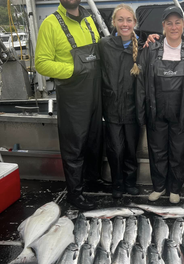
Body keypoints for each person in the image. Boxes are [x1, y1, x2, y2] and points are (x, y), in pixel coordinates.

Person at [35, 0, 103, 210]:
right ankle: (75, 194)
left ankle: (93, 182)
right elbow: (41, 63)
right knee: (74, 145)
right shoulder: (50, 23)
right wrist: (73, 69)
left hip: (95, 92)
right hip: (73, 96)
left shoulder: (90, 20)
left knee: (94, 139)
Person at [136, 6, 184, 204]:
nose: (173, 27)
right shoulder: (151, 49)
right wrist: (141, 115)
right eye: (169, 23)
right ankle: (159, 187)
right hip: (155, 112)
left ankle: (175, 188)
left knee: (179, 153)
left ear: (183, 25)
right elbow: (141, 84)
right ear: (163, 26)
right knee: (156, 152)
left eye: (177, 22)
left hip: (182, 113)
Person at [98, 4, 144, 199]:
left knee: (131, 149)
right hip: (111, 108)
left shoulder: (143, 47)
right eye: (120, 20)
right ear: (114, 22)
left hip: (134, 109)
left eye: (128, 20)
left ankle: (130, 181)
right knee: (115, 149)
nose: (124, 24)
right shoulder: (104, 45)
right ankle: (117, 182)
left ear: (134, 22)